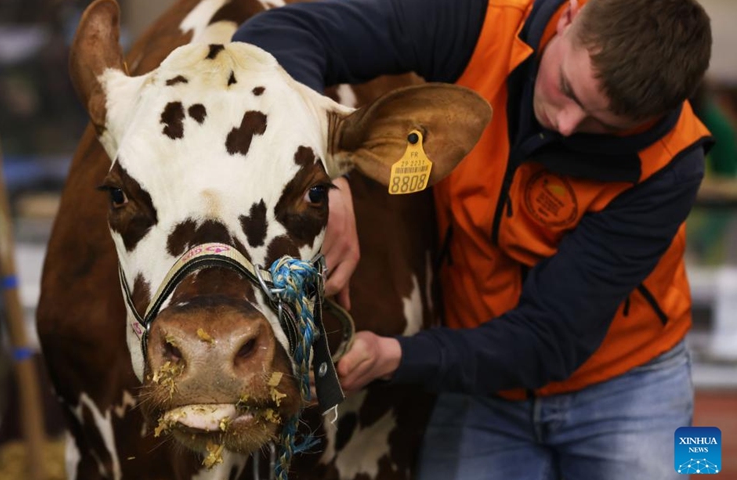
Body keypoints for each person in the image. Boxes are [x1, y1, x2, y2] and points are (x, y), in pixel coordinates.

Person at [235, 0, 712, 479]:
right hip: (478, 385)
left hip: (630, 381)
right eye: (567, 88)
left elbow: (550, 339)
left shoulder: (673, 161)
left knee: (689, 470)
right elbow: (279, 32)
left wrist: (397, 356)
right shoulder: (486, 24)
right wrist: (322, 181)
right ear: (568, 18)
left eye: (603, 125)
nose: (566, 125)